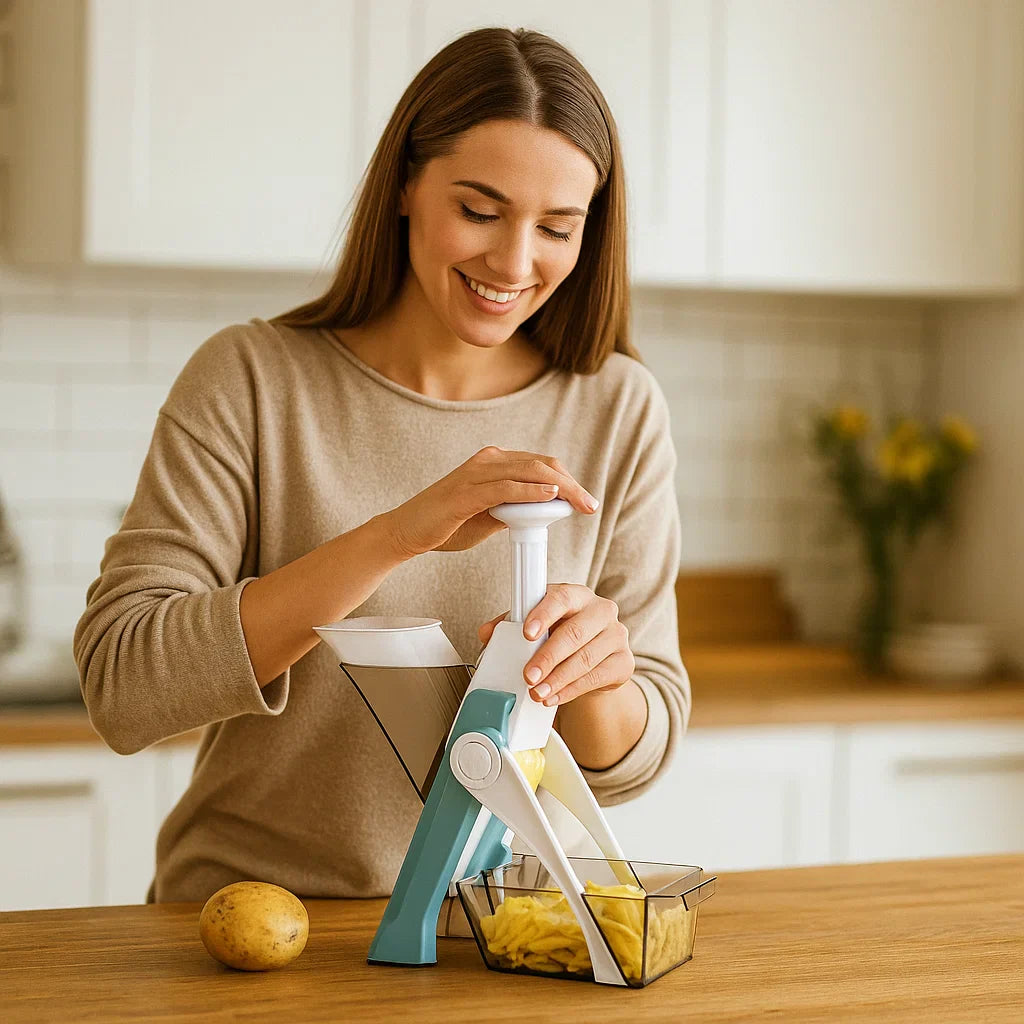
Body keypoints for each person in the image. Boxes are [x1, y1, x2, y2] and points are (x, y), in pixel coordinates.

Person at [74, 26, 689, 903]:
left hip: (494, 938)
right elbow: (124, 687)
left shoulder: (617, 406)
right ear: (405, 183)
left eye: (557, 227)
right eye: (479, 211)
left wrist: (593, 676)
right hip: (250, 922)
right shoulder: (252, 379)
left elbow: (635, 752)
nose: (514, 263)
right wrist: (400, 534)